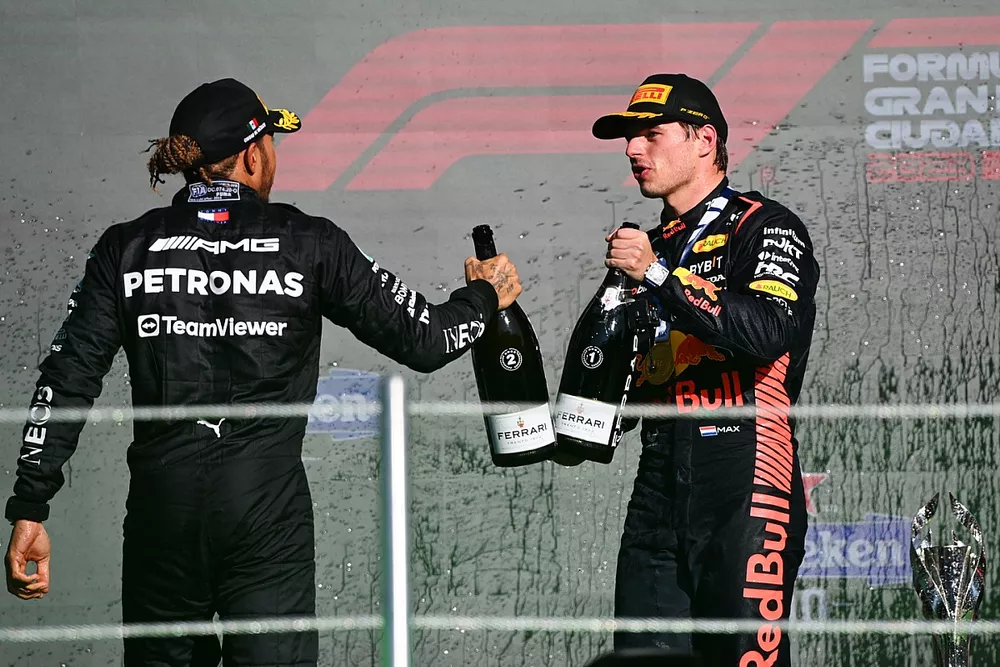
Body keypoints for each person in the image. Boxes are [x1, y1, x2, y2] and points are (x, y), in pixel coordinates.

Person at [4, 77, 523, 667]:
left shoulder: (125, 247)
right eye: (271, 142)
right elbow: (426, 340)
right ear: (253, 155)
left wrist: (30, 505)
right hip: (266, 521)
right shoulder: (309, 242)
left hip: (161, 517)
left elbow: (66, 377)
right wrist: (485, 297)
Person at [594, 74, 820, 666]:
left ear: (704, 140)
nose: (632, 149)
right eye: (629, 137)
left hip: (745, 474)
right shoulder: (646, 247)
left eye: (651, 134)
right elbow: (624, 383)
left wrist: (658, 277)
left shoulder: (764, 226)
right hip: (659, 482)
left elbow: (767, 332)